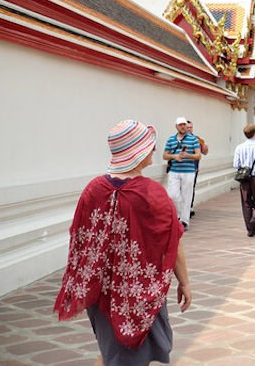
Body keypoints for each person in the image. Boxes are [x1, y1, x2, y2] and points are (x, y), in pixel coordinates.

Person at [54, 119, 191, 366]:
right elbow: (174, 243)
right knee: (133, 357)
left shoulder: (93, 189)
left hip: (100, 291)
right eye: (149, 146)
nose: (153, 151)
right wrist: (185, 282)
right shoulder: (153, 194)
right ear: (137, 152)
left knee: (110, 352)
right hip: (140, 292)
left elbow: (80, 238)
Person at [162, 116, 201, 230]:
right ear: (176, 126)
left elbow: (198, 155)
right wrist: (175, 156)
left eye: (184, 124)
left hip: (188, 171)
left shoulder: (193, 140)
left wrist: (187, 155)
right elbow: (165, 155)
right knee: (172, 195)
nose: (183, 127)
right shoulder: (171, 139)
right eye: (180, 125)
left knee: (186, 196)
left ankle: (184, 221)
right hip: (174, 171)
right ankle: (177, 216)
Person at [233, 124, 255, 237]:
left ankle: (250, 229)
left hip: (244, 178)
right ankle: (254, 220)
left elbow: (236, 164)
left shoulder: (239, 147)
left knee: (246, 203)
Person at [185, 120, 209, 218]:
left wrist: (205, 146)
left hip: (193, 168)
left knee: (191, 188)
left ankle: (189, 207)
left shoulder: (197, 139)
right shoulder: (178, 139)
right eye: (187, 127)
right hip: (180, 168)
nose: (189, 129)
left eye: (191, 127)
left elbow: (205, 152)